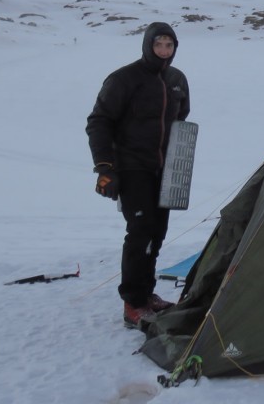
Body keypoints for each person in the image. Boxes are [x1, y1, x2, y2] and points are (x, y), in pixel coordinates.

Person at [86, 21, 191, 328]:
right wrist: (105, 167)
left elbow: (181, 118)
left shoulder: (176, 79)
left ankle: (147, 294)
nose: (163, 51)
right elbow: (99, 121)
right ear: (147, 45)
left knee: (157, 232)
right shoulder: (124, 79)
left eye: (169, 45)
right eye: (158, 45)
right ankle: (133, 304)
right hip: (132, 166)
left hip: (164, 169)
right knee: (140, 229)